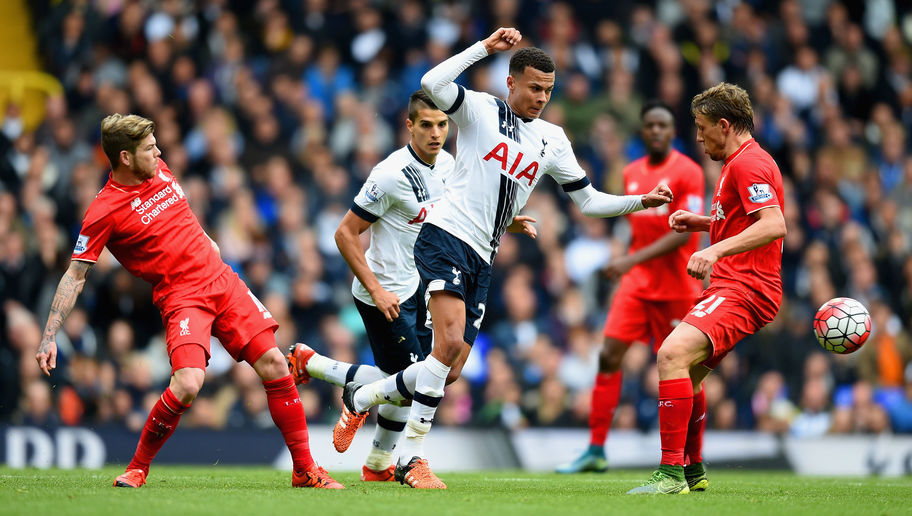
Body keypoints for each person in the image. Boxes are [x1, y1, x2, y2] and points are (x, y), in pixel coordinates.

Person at [332, 27, 673, 489]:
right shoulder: (481, 110)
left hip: (483, 257)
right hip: (445, 236)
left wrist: (641, 202)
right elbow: (432, 83)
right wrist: (483, 49)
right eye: (534, 88)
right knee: (446, 344)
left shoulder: (553, 139)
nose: (542, 98)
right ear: (511, 82)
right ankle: (411, 459)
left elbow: (589, 201)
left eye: (548, 90)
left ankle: (363, 396)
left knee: (449, 369)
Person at [34, 114, 342, 489]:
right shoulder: (104, 210)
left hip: (221, 280)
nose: (159, 152)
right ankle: (137, 468)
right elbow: (75, 275)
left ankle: (304, 469)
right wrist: (49, 335)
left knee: (276, 363)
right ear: (125, 157)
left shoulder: (159, 170)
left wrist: (208, 242)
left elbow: (182, 216)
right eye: (149, 148)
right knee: (188, 384)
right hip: (182, 297)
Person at [286, 90, 536, 482]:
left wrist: (507, 221)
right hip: (383, 293)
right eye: (426, 125)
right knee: (421, 375)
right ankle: (373, 438)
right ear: (409, 126)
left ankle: (372, 457)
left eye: (442, 124)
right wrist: (376, 290)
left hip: (422, 287)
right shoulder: (390, 175)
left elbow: (462, 212)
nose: (436, 133)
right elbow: (345, 233)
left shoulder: (450, 165)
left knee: (407, 379)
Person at [627, 82, 786, 494]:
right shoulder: (738, 163)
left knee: (670, 355)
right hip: (736, 285)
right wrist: (701, 223)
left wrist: (712, 250)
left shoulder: (749, 164)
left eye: (701, 128)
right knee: (689, 374)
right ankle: (693, 470)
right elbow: (743, 221)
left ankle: (670, 474)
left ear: (724, 125)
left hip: (745, 288)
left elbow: (774, 224)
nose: (698, 137)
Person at [556, 101, 706, 476]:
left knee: (686, 371)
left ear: (672, 132)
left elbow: (684, 232)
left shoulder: (689, 172)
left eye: (662, 125)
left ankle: (691, 458)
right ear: (642, 131)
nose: (656, 131)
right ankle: (595, 449)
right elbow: (632, 225)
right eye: (650, 125)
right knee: (608, 355)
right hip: (637, 284)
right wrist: (626, 257)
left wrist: (629, 260)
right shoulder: (631, 172)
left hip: (677, 285)